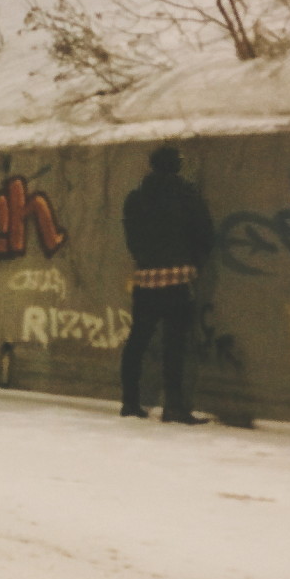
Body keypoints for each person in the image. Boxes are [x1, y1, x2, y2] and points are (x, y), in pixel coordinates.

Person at [119, 145, 214, 422]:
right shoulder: (186, 195)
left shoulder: (136, 198)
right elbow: (205, 233)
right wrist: (193, 262)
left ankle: (130, 402)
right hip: (178, 278)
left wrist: (145, 259)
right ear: (176, 166)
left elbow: (132, 237)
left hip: (146, 279)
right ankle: (173, 406)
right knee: (175, 345)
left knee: (137, 341)